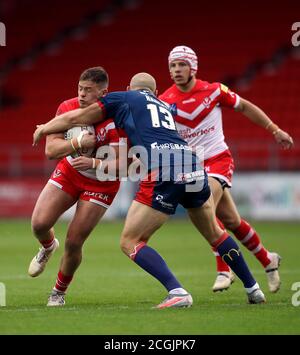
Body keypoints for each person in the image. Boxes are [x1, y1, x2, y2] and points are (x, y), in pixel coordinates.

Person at [33, 72, 268, 308]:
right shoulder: (164, 105)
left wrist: (44, 128)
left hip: (164, 167)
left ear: (128, 88)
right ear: (155, 93)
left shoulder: (123, 98)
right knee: (216, 234)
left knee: (130, 240)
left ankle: (177, 292)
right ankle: (253, 288)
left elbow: (78, 117)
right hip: (193, 163)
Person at [159, 45, 294, 292]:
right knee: (231, 220)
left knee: (204, 205)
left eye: (182, 64)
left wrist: (275, 130)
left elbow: (245, 107)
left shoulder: (213, 91)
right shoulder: (165, 101)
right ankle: (267, 259)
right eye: (172, 65)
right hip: (192, 167)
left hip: (217, 159)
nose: (176, 70)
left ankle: (224, 268)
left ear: (193, 67)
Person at [29, 67, 123, 306]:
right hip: (70, 172)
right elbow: (51, 151)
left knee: (74, 241)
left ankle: (58, 292)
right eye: (80, 88)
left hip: (101, 183)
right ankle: (48, 246)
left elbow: (120, 164)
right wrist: (78, 141)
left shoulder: (114, 117)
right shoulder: (67, 108)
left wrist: (94, 161)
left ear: (103, 93)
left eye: (88, 90)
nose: (81, 94)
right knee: (39, 224)